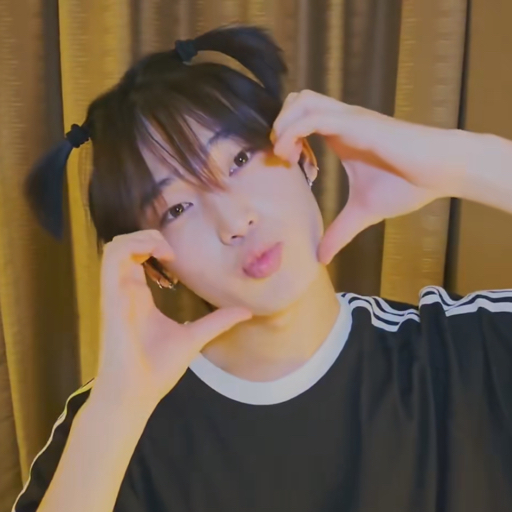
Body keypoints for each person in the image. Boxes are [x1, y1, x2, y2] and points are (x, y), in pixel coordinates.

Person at [14, 24, 512, 512]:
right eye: (176, 209)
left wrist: (462, 161)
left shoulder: (464, 351)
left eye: (239, 160)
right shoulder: (106, 428)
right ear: (157, 268)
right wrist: (118, 410)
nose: (235, 221)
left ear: (304, 156)